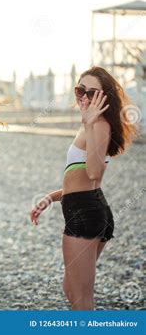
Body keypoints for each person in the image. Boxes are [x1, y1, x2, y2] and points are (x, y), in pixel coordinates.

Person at [30, 66, 138, 310]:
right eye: (80, 90)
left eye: (92, 92)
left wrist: (89, 124)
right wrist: (51, 197)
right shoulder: (93, 123)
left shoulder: (98, 125)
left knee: (81, 300)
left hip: (85, 215)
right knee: (71, 289)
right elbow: (81, 180)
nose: (84, 97)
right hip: (87, 208)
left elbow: (94, 173)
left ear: (105, 96)